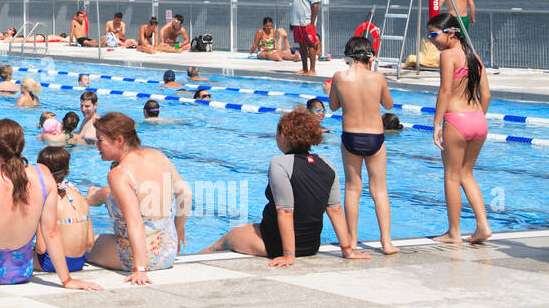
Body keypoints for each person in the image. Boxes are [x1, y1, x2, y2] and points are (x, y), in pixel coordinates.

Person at [0, 119, 100, 297]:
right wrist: (67, 280)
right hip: (21, 273)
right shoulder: (43, 174)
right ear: (21, 145)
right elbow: (50, 232)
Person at [200, 109, 369, 265]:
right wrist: (347, 251)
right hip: (311, 245)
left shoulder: (279, 164)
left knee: (222, 242)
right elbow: (336, 210)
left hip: (275, 245)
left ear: (284, 136)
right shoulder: (327, 164)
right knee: (249, 227)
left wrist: (288, 254)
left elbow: (286, 211)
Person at [84, 112, 189, 282]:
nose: (96, 145)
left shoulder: (119, 174)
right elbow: (185, 193)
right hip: (167, 253)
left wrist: (140, 269)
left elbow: (135, 221)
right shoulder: (158, 156)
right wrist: (178, 230)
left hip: (137, 258)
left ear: (119, 140)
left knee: (84, 246)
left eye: (100, 140)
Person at [428, 12, 493, 245]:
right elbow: (486, 94)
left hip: (456, 119)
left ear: (451, 33)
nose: (431, 39)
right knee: (467, 174)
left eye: (434, 34)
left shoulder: (448, 55)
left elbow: (445, 91)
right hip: (478, 119)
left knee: (452, 177)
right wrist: (477, 118)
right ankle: (483, 225)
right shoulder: (474, 56)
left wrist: (437, 123)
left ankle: (454, 232)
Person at [329, 35, 397, 255]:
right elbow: (388, 104)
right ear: (370, 56)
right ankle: (386, 243)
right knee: (379, 191)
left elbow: (332, 107)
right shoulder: (378, 78)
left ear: (348, 56)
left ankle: (353, 239)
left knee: (352, 189)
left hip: (350, 137)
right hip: (375, 138)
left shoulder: (339, 77)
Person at [35, 145, 94, 274]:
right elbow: (90, 242)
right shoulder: (78, 195)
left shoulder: (47, 198)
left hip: (52, 264)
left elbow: (41, 247)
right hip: (79, 262)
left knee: (17, 253)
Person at [290, 0, 321, 75]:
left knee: (311, 45)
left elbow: (315, 5)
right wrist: (292, 22)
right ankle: (304, 68)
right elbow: (295, 6)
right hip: (297, 22)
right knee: (302, 45)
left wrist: (312, 23)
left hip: (307, 22)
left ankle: (312, 69)